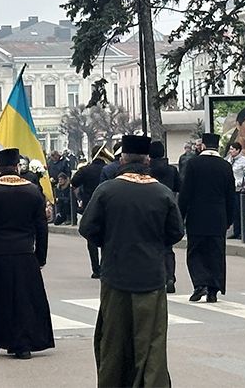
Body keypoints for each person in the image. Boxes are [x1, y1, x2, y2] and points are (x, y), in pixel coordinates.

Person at [78, 135, 185, 388]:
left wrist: (110, 241)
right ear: (147, 159)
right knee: (152, 341)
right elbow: (176, 232)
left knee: (114, 339)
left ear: (122, 159)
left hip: (116, 275)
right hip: (151, 277)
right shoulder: (162, 192)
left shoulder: (107, 190)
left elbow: (87, 228)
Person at [0, 148, 53, 359]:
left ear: (0, 168)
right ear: (17, 167)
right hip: (26, 253)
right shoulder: (33, 190)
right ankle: (26, 342)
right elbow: (41, 226)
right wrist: (41, 256)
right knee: (26, 298)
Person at [178, 132, 235, 302]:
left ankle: (200, 283)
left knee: (195, 252)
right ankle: (213, 290)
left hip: (197, 216)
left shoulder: (193, 164)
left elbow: (185, 192)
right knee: (216, 253)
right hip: (218, 217)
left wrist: (180, 215)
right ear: (217, 147)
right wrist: (229, 218)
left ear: (202, 146)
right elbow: (230, 195)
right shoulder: (225, 166)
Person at [71, 145, 111, 278]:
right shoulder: (109, 169)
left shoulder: (86, 170)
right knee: (107, 236)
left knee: (91, 238)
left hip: (90, 205)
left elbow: (74, 181)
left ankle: (96, 269)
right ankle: (105, 266)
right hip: (107, 205)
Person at [147, 141, 181, 293]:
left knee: (149, 245)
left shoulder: (146, 170)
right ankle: (170, 277)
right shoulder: (171, 170)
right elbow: (179, 187)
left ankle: (155, 277)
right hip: (168, 208)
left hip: (149, 209)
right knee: (168, 247)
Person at [226, 141, 245, 239]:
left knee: (240, 211)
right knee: (233, 211)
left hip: (239, 189)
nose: (230, 151)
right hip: (230, 189)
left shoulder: (243, 160)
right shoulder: (229, 160)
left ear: (238, 150)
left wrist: (239, 182)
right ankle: (235, 231)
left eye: (232, 149)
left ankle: (242, 232)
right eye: (230, 149)